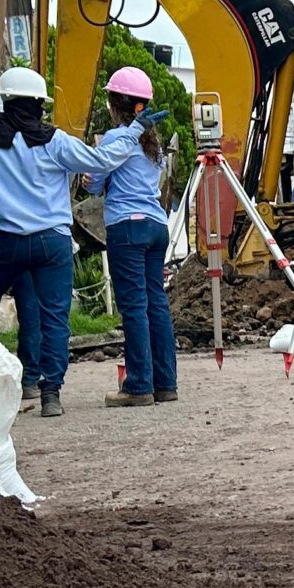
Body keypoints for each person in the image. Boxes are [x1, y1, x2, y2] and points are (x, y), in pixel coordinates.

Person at [0, 66, 125, 417]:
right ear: (38, 105)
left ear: (4, 101)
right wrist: (132, 131)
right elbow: (100, 161)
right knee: (53, 316)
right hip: (52, 243)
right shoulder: (55, 140)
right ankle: (50, 393)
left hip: (6, 241)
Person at [90, 66, 178, 409]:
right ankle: (165, 382)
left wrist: (91, 181)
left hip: (126, 227)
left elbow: (96, 180)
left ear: (115, 104)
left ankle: (139, 384)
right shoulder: (153, 145)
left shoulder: (115, 139)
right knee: (156, 301)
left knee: (134, 305)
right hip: (156, 226)